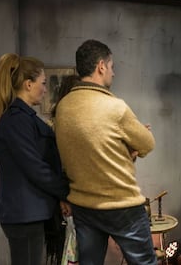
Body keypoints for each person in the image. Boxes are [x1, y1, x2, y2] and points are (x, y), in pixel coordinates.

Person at [55, 39, 156, 264]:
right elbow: (148, 143)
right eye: (112, 67)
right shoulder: (115, 107)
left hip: (83, 205)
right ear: (101, 66)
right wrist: (131, 147)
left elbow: (90, 149)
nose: (113, 73)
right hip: (122, 205)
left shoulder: (64, 107)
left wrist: (122, 151)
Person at [0, 53, 70, 265]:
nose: (45, 88)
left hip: (29, 212)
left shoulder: (24, 119)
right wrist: (66, 191)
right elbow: (35, 167)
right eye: (42, 83)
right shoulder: (15, 121)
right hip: (24, 214)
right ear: (28, 84)